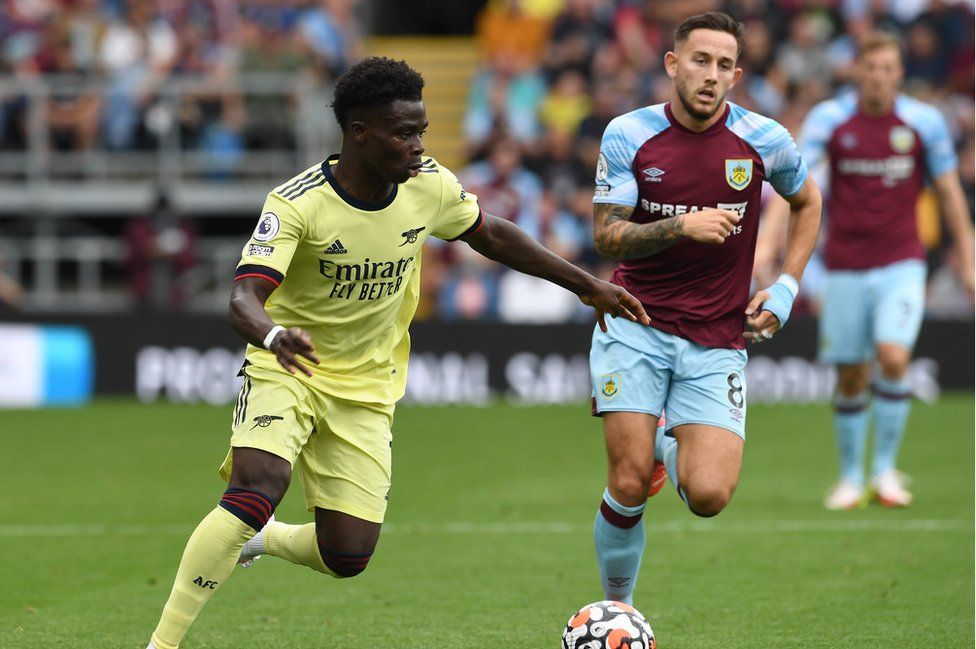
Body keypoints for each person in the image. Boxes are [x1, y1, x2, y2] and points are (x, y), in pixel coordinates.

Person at [144, 56, 648, 649]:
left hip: (367, 388)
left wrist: (586, 283)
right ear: (360, 133)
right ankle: (162, 643)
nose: (417, 146)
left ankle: (266, 539)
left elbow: (491, 233)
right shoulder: (296, 203)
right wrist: (276, 338)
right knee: (257, 487)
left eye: (421, 132)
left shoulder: (428, 184)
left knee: (347, 554)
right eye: (404, 134)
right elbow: (243, 297)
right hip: (288, 368)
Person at [588, 12, 822, 605]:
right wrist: (680, 227)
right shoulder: (628, 134)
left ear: (736, 75)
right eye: (699, 60)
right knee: (628, 481)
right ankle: (619, 614)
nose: (711, 75)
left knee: (710, 496)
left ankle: (669, 442)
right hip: (633, 324)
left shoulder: (764, 140)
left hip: (718, 337)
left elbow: (808, 201)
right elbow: (606, 235)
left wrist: (788, 286)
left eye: (723, 65)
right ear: (672, 64)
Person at [756, 32, 974, 511]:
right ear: (857, 71)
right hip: (845, 266)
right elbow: (793, 185)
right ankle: (852, 477)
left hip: (902, 263)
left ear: (899, 72)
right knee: (852, 373)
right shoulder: (831, 119)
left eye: (887, 68)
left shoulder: (923, 122)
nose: (878, 76)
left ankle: (886, 472)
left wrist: (969, 253)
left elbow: (949, 191)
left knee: (894, 358)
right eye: (870, 67)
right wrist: (767, 246)